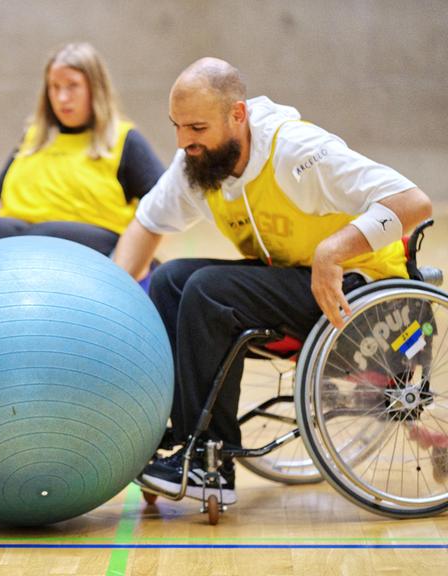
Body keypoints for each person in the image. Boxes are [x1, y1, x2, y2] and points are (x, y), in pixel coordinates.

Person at [112, 57, 432, 505]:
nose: (185, 142)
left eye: (197, 129)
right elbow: (146, 223)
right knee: (170, 280)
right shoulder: (199, 165)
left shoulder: (297, 152)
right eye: (177, 127)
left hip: (366, 299)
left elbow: (414, 203)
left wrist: (332, 251)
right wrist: (105, 304)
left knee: (208, 288)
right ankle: (187, 438)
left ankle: (212, 462)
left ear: (237, 115)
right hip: (300, 291)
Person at [0, 42, 164, 264]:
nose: (62, 98)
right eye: (54, 87)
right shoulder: (33, 137)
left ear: (95, 89)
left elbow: (162, 206)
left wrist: (136, 263)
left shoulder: (124, 140)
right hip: (20, 234)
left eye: (72, 86)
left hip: (93, 242)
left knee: (46, 238)